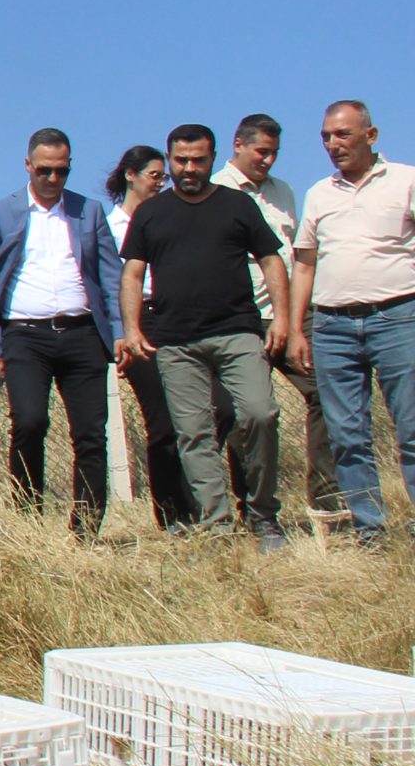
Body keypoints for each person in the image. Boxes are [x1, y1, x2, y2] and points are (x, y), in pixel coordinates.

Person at [120, 125, 291, 549]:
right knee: (193, 433)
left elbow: (271, 260)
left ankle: (262, 513)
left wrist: (283, 319)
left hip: (238, 333)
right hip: (176, 342)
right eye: (181, 161)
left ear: (213, 159)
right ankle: (216, 526)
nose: (189, 168)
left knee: (259, 414)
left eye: (198, 160)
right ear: (170, 160)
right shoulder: (151, 214)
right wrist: (132, 329)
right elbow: (133, 274)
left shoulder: (237, 205)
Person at [0, 129, 123, 535]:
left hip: (83, 334)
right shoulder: (1, 213)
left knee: (91, 434)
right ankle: (28, 520)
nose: (53, 179)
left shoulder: (89, 212)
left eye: (61, 171)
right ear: (28, 166)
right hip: (25, 336)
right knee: (30, 422)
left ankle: (85, 528)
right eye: (44, 171)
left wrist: (120, 333)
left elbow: (111, 278)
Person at [288, 99, 415, 547]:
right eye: (326, 136)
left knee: (411, 429)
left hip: (399, 317)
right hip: (333, 326)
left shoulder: (405, 180)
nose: (333, 144)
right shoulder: (319, 193)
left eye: (342, 134)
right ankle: (369, 529)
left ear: (370, 135)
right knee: (347, 436)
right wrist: (297, 328)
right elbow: (304, 263)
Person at [213, 114, 338, 519]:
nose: (268, 160)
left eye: (274, 153)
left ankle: (326, 499)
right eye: (261, 151)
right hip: (243, 319)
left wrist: (295, 317)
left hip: (293, 314)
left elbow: (295, 255)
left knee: (327, 393)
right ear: (238, 145)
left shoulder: (283, 191)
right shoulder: (216, 191)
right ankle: (253, 506)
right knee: (249, 415)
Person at [105, 145, 199, 531]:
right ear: (131, 175)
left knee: (197, 416)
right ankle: (171, 513)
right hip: (137, 322)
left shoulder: (169, 219)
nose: (161, 183)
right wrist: (121, 333)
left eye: (164, 177)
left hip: (177, 318)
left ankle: (199, 504)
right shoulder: (108, 227)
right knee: (162, 420)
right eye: (154, 175)